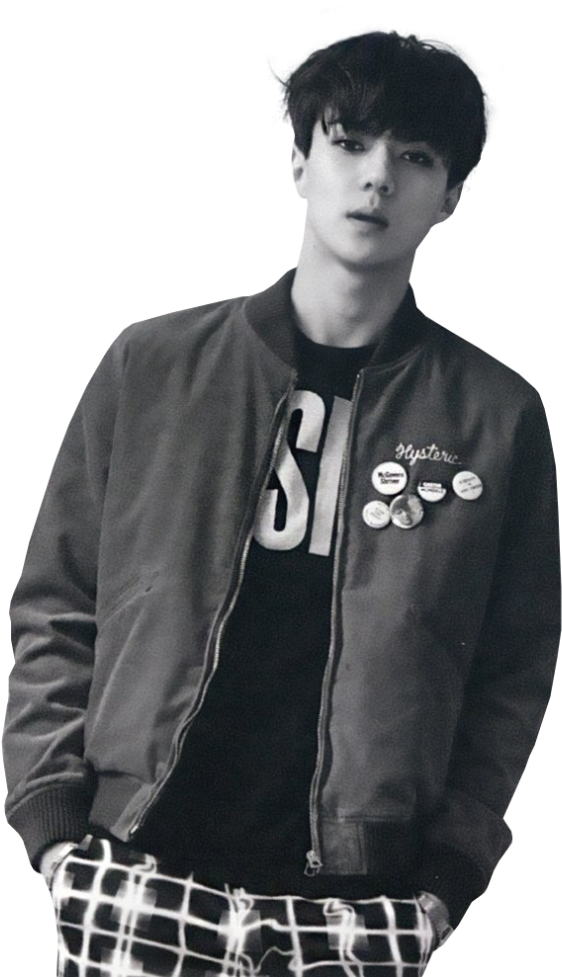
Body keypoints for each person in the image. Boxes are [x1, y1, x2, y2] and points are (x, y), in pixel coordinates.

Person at [4, 26, 560, 977]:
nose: (377, 177)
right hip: (133, 866)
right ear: (300, 163)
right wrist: (55, 830)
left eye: (415, 157)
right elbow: (58, 600)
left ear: (452, 196)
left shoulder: (497, 415)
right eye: (349, 142)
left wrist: (448, 879)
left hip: (362, 902)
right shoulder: (153, 363)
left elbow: (514, 670)